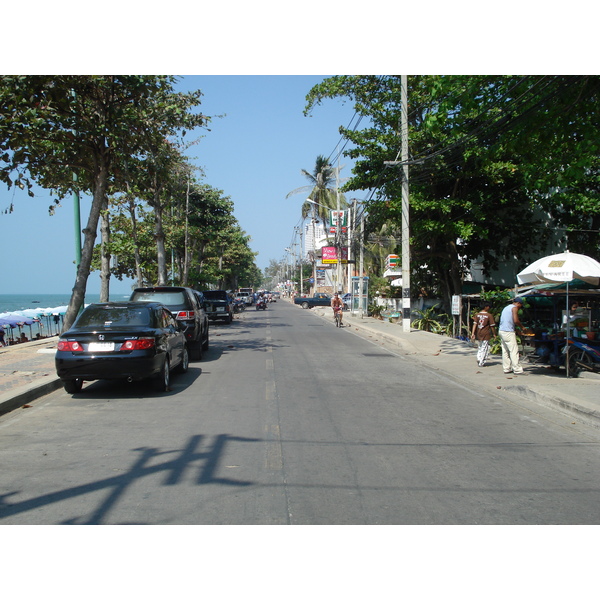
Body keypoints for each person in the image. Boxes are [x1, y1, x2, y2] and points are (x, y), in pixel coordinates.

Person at [498, 297, 526, 374]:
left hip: (502, 331)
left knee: (505, 351)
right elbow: (516, 320)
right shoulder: (514, 308)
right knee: (514, 350)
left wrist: (516, 330)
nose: (520, 307)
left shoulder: (506, 308)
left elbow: (508, 322)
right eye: (520, 305)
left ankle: (506, 368)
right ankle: (517, 369)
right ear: (518, 303)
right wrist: (522, 327)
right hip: (508, 332)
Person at [471, 300, 496, 367]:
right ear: (486, 307)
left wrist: (473, 333)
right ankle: (481, 361)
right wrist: (494, 334)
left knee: (480, 346)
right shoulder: (489, 315)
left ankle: (479, 357)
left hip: (479, 332)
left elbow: (475, 324)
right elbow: (492, 326)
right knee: (485, 347)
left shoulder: (477, 315)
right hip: (486, 333)